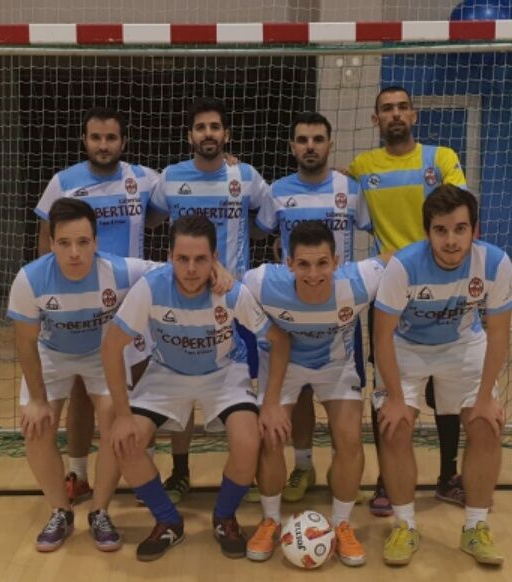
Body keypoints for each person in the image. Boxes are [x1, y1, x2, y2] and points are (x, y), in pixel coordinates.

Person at [101, 214, 291, 562]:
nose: (191, 268)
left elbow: (279, 341)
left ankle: (224, 517)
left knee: (249, 441)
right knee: (125, 441)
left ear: (214, 259)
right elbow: (111, 346)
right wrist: (124, 414)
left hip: (223, 372)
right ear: (169, 257)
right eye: (183, 259)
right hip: (167, 372)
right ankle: (168, 521)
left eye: (201, 259)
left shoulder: (231, 292)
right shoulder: (151, 288)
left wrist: (272, 401)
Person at [371, 185, 512, 566]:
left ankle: (475, 527)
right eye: (441, 230)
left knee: (486, 425)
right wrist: (394, 398)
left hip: (462, 344)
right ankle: (404, 525)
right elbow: (381, 335)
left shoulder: (495, 263)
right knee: (395, 426)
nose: (451, 240)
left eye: (460, 229)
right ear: (428, 232)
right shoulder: (403, 266)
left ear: (474, 230)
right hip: (407, 346)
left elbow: (499, 334)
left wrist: (485, 399)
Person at [348, 86, 470, 515]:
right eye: (387, 109)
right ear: (375, 120)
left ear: (414, 116)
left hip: (444, 288)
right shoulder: (363, 167)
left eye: (402, 107)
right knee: (389, 389)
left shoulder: (441, 158)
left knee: (447, 390)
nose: (395, 114)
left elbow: (460, 212)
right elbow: (328, 182)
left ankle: (448, 476)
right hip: (391, 295)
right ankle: (387, 478)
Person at [34, 107, 162, 503]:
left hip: (132, 297)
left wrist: (227, 162)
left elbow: (177, 195)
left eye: (110, 138)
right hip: (81, 301)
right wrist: (49, 299)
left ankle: (141, 473)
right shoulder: (63, 182)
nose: (103, 145)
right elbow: (45, 242)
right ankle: (77, 473)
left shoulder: (145, 179)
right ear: (84, 141)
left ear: (123, 142)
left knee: (141, 389)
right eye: (96, 138)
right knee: (80, 390)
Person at [147, 97, 272, 504]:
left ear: (226, 134)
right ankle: (180, 471)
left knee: (242, 392)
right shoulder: (170, 177)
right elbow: (152, 217)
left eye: (215, 127)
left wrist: (234, 260)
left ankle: (246, 471)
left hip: (234, 302)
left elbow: (265, 222)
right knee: (183, 385)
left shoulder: (246, 175)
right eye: (201, 127)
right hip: (184, 298)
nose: (208, 133)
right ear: (190, 136)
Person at [242, 221, 382, 567]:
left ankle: (342, 524)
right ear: (289, 264)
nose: (314, 273)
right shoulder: (262, 282)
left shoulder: (360, 280)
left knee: (350, 439)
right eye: (303, 264)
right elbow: (227, 282)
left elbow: (399, 257)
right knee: (270, 436)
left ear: (336, 262)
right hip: (283, 366)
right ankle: (270, 520)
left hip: (335, 367)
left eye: (322, 263)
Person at [253, 112, 367, 503]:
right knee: (297, 393)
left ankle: (345, 478)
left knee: (343, 403)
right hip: (292, 309)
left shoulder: (351, 189)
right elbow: (263, 233)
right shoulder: (277, 192)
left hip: (340, 311)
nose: (310, 146)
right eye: (302, 140)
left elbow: (375, 229)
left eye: (318, 139)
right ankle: (303, 466)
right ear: (292, 147)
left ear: (330, 145)